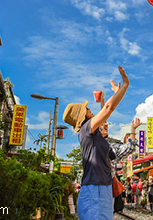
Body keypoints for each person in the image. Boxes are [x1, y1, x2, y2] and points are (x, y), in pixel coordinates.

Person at [62, 66, 130, 220]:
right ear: (81, 116)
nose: (89, 108)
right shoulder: (86, 129)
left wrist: (116, 93)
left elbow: (105, 111)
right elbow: (108, 108)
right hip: (95, 191)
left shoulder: (92, 133)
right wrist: (125, 85)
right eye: (86, 109)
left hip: (100, 190)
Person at [100, 118, 141, 213]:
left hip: (108, 186)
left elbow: (129, 148)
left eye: (106, 125)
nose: (106, 126)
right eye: (103, 124)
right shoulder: (91, 145)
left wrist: (133, 130)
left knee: (108, 213)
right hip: (94, 186)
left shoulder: (112, 147)